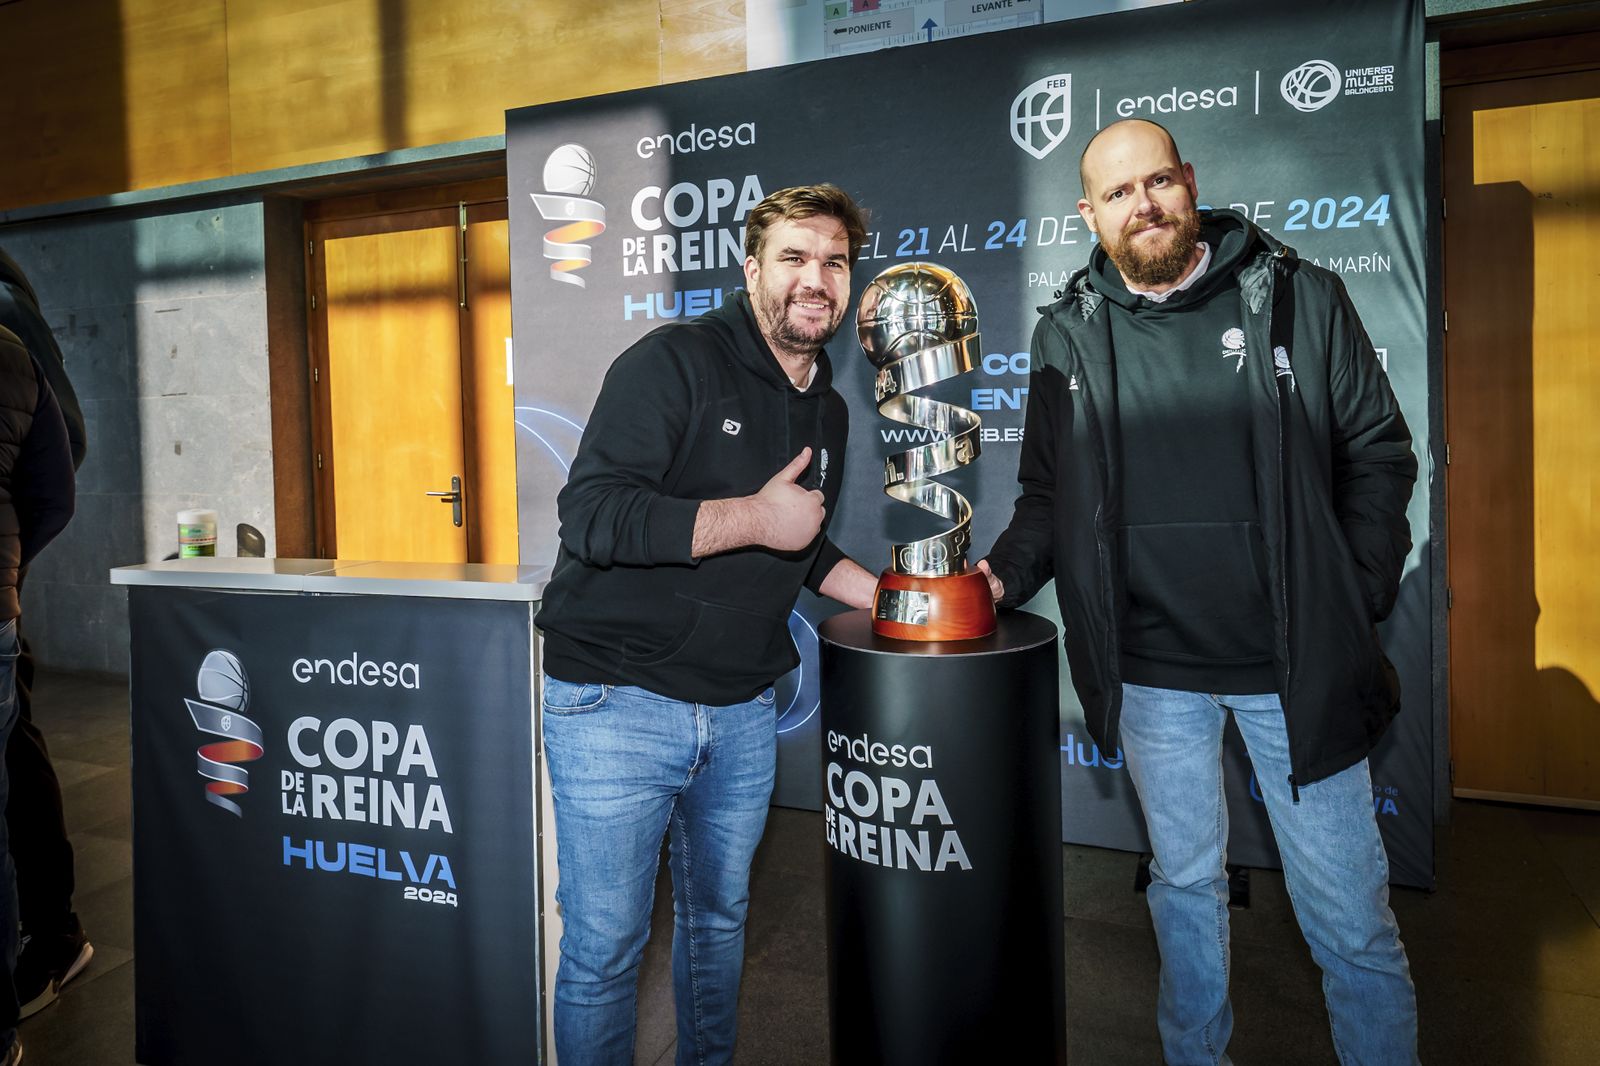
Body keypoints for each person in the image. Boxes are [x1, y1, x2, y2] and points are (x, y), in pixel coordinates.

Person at [979, 119, 1419, 1065]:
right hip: (1150, 677)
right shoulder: (1066, 334)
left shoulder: (1298, 296)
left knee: (1349, 921)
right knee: (1182, 893)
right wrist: (996, 577)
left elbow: (1377, 454)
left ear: (1189, 182)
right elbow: (1048, 499)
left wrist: (1352, 588)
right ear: (1089, 214)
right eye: (1118, 193)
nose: (1144, 206)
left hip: (1294, 667)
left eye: (1158, 182)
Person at [535, 183, 878, 1065]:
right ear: (752, 268)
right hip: (616, 701)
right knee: (606, 951)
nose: (816, 278)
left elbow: (801, 544)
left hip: (739, 710)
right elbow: (596, 518)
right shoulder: (674, 361)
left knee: (719, 927)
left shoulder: (829, 408)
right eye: (794, 257)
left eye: (834, 262)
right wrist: (753, 520)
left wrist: (888, 597)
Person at [0, 248, 92, 1021]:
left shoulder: (7, 313)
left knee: (13, 758)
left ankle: (54, 936)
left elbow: (61, 459)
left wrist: (8, 563)